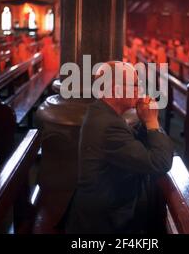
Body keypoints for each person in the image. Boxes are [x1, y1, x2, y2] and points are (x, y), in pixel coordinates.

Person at [62, 61, 174, 234]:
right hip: (106, 222)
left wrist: (145, 123)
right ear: (116, 90)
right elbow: (159, 163)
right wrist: (152, 122)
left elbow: (131, 142)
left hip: (107, 207)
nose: (141, 90)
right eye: (136, 85)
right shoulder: (107, 125)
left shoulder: (103, 112)